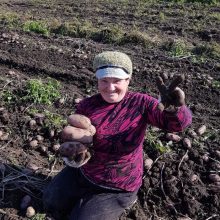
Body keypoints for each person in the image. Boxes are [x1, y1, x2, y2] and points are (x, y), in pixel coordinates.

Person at [43, 51, 192, 220]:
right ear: (97, 80)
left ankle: (124, 201)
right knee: (50, 203)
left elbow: (176, 125)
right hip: (86, 173)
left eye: (117, 81)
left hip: (118, 186)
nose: (110, 87)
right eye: (104, 81)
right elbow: (77, 137)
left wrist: (175, 109)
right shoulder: (88, 105)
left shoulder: (141, 103)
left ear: (128, 80)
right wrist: (75, 156)